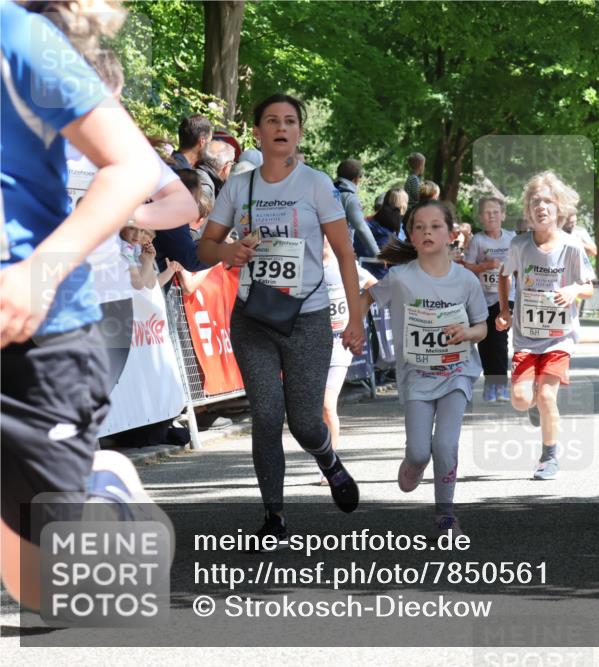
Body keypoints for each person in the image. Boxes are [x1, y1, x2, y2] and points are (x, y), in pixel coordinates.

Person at [1, 0, 165, 609]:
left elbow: (132, 166)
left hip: (36, 330)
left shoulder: (16, 36)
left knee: (50, 587)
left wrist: (37, 273)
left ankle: (105, 484)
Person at [197, 93, 365, 543]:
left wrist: (355, 317)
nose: (281, 127)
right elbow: (204, 247)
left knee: (306, 422)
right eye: (272, 120)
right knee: (267, 416)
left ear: (299, 133)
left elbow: (346, 253)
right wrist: (229, 251)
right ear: (258, 132)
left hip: (307, 317)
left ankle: (328, 460)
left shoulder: (315, 184)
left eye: (290, 121)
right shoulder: (239, 187)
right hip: (254, 316)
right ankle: (275, 517)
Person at [370, 201, 489, 535]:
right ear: (410, 234)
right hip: (416, 376)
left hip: (457, 372)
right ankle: (414, 464)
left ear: (452, 234)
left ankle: (446, 514)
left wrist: (467, 332)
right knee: (421, 450)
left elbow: (483, 326)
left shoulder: (465, 280)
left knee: (445, 445)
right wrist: (353, 324)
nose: (426, 232)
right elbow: (368, 298)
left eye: (435, 226)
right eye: (419, 227)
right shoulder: (400, 277)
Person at [496, 171, 595, 480]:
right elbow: (504, 275)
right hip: (526, 337)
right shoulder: (519, 245)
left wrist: (573, 290)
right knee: (521, 398)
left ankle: (549, 456)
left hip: (559, 338)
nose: (541, 207)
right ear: (528, 209)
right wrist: (504, 311)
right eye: (535, 201)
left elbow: (589, 286)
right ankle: (534, 406)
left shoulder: (572, 246)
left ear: (559, 208)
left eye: (548, 201)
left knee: (547, 395)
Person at [317, 241, 377, 485]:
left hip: (338, 348)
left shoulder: (345, 266)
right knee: (313, 413)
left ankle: (329, 465)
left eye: (325, 236)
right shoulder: (306, 268)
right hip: (310, 348)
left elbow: (374, 285)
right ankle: (324, 457)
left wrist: (357, 314)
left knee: (327, 405)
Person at [462, 197, 517, 401]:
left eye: (495, 212)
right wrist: (484, 266)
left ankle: (500, 385)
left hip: (507, 296)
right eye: (487, 213)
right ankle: (490, 383)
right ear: (480, 217)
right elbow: (467, 266)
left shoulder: (512, 239)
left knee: (500, 339)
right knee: (486, 341)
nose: (492, 216)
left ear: (503, 215)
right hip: (483, 297)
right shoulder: (478, 240)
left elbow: (520, 266)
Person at [334, 158, 379, 259]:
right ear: (356, 179)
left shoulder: (328, 191)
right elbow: (361, 228)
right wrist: (378, 254)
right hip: (340, 253)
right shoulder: (350, 198)